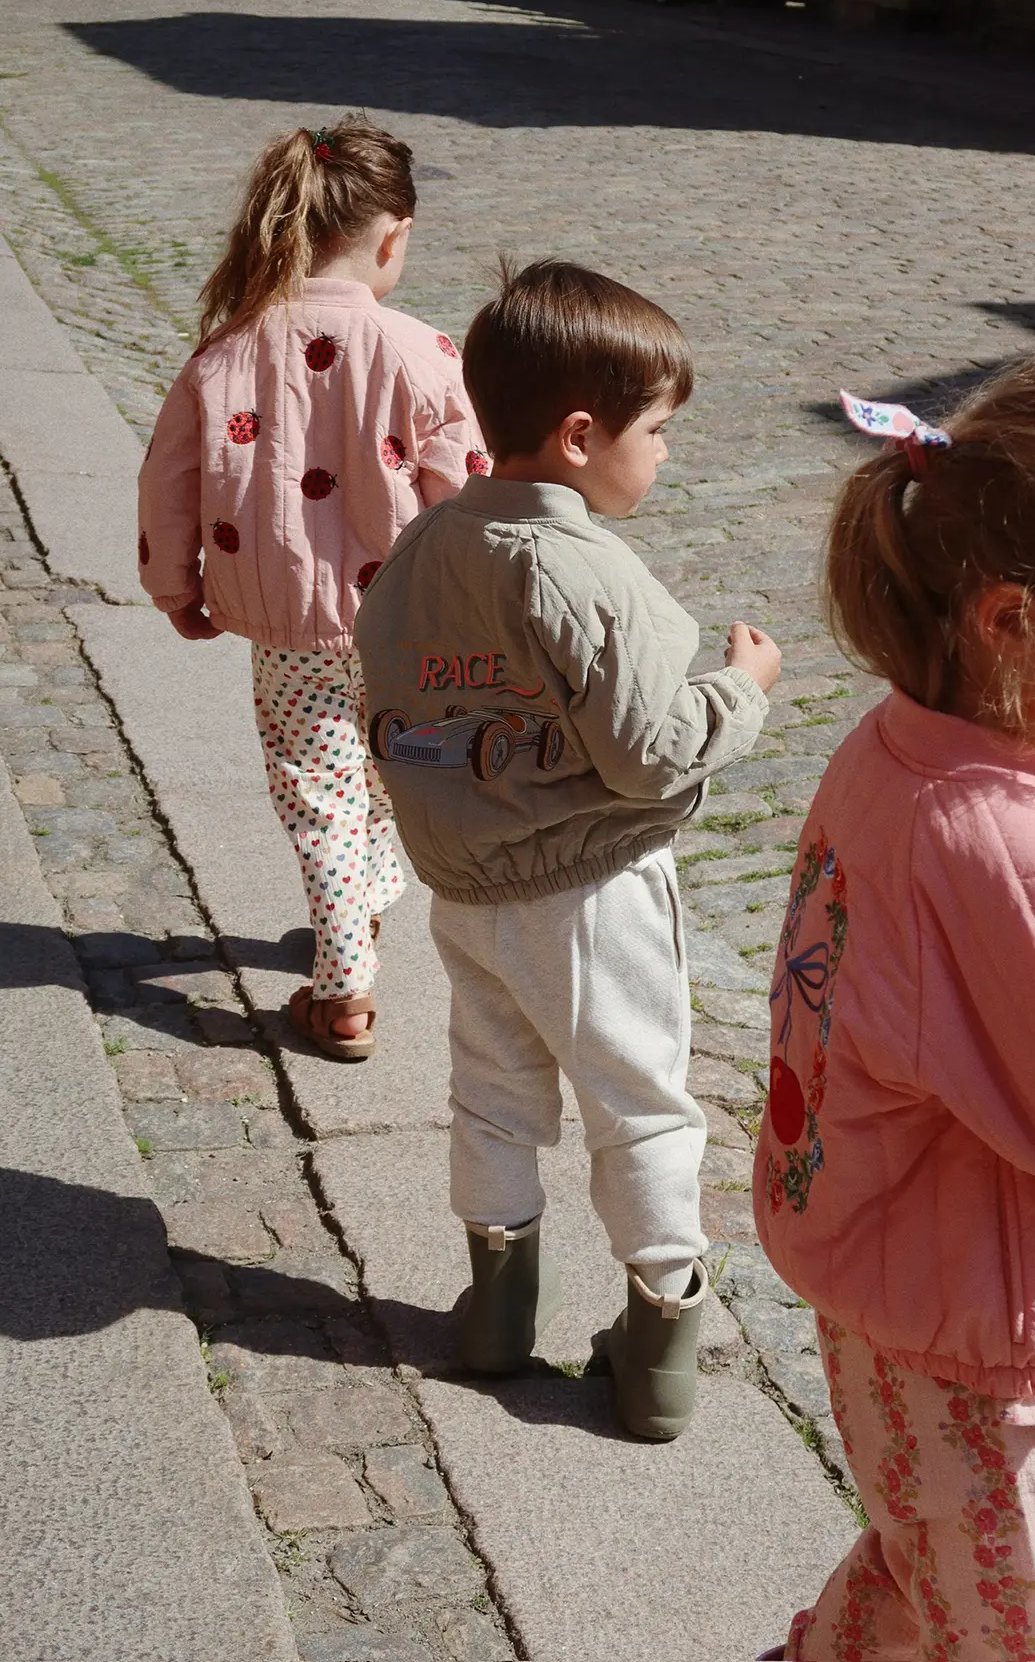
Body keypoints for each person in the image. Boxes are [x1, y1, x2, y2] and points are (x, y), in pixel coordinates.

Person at [753, 347, 1035, 1662]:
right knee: (1004, 1632)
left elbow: (993, 976)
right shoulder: (1007, 835)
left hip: (916, 1289)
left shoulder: (937, 750)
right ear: (1015, 622)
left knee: (931, 1567)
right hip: (998, 1363)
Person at [356, 259, 781, 1438]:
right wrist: (739, 689)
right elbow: (649, 752)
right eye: (660, 429)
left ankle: (496, 1316)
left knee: (492, 1096)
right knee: (639, 1105)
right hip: (590, 892)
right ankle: (659, 1356)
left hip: (465, 892)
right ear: (583, 435)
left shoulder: (427, 545)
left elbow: (384, 682)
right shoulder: (584, 567)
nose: (667, 452)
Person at [137, 115, 486, 1061]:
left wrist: (178, 588)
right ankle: (355, 939)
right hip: (408, 633)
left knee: (318, 795)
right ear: (392, 235)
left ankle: (344, 987)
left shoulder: (226, 352)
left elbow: (169, 482)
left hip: (291, 634)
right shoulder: (424, 352)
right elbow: (466, 493)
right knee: (384, 784)